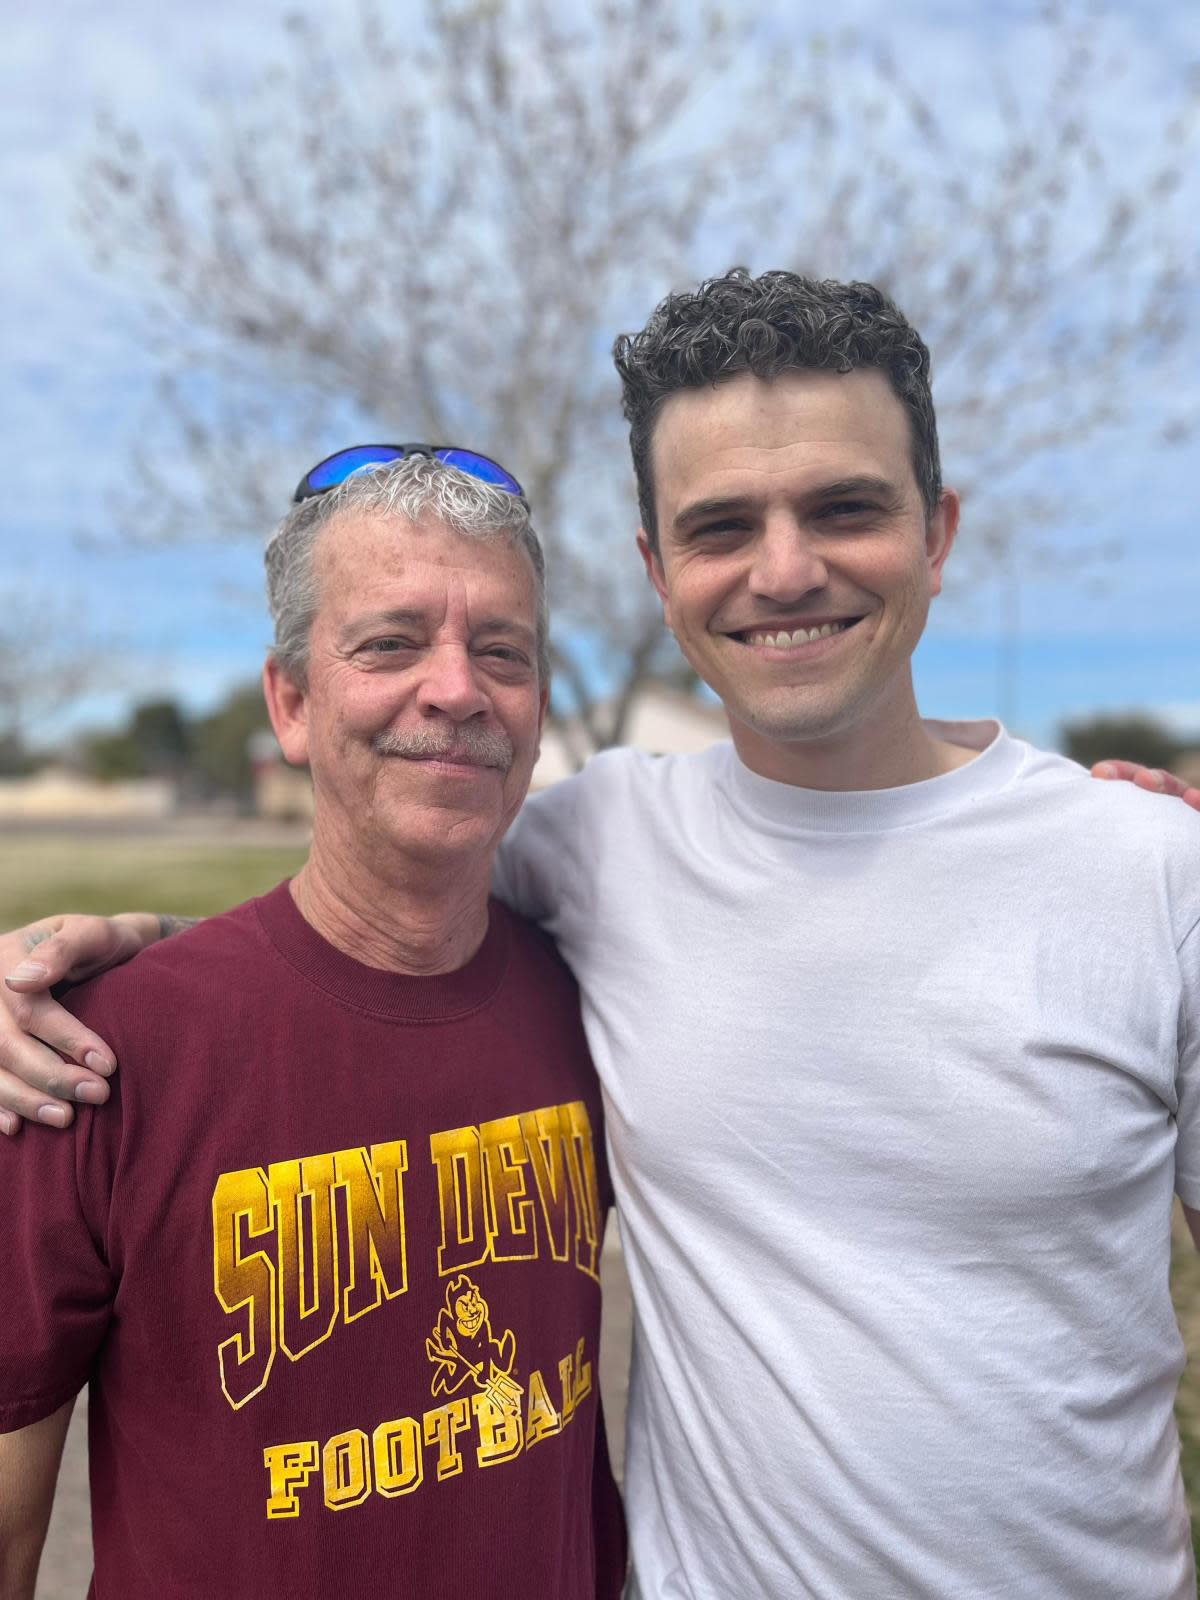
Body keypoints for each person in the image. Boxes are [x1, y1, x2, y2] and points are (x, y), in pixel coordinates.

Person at [2, 271, 1198, 1599]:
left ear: (939, 531)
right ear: (659, 571)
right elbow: (361, 917)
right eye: (722, 524)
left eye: (846, 507)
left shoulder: (1151, 874)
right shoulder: (605, 842)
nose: (785, 567)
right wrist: (100, 951)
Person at [0, 450, 625, 1598]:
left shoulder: (597, 999)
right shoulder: (82, 1061)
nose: (457, 689)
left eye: (503, 650)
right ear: (289, 701)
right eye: (390, 643)